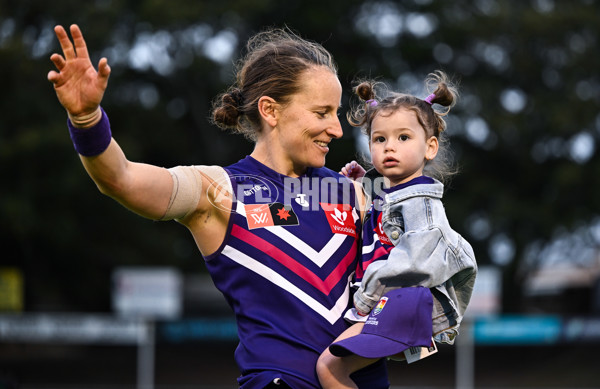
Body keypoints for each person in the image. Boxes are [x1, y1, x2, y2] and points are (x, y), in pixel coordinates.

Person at [47, 24, 389, 388]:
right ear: (270, 110)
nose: (336, 129)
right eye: (322, 113)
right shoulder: (221, 191)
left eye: (336, 113)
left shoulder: (354, 192)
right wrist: (87, 120)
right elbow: (122, 179)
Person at [316, 71, 478, 389]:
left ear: (430, 147)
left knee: (329, 369)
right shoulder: (389, 193)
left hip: (396, 302)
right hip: (388, 302)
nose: (390, 147)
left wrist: (363, 304)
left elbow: (411, 264)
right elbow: (381, 217)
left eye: (403, 138)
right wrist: (364, 180)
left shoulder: (422, 204)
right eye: (380, 139)